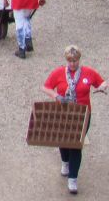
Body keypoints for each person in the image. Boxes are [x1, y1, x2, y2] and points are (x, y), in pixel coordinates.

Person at [42, 46, 108, 194]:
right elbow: (46, 87)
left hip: (83, 114)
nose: (72, 64)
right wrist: (57, 96)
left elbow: (101, 83)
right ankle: (65, 162)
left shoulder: (88, 72)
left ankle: (73, 179)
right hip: (63, 113)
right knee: (63, 141)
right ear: (66, 60)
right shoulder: (59, 73)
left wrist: (103, 86)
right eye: (70, 61)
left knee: (76, 145)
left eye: (75, 60)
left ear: (79, 59)